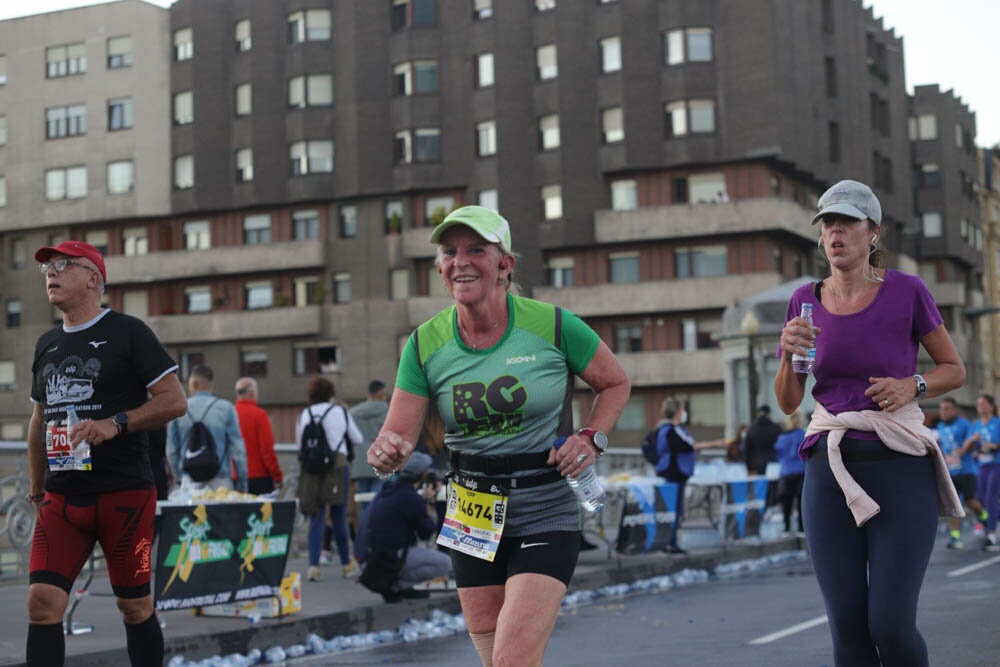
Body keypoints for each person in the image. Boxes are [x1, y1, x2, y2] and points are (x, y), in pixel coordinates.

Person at [367, 205, 631, 666]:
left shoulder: (550, 325)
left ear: (504, 264)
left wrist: (590, 438)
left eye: (476, 249)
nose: (460, 260)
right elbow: (397, 436)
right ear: (440, 268)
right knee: (497, 661)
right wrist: (385, 452)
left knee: (511, 661)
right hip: (472, 513)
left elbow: (615, 382)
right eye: (450, 251)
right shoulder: (424, 343)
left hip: (544, 507)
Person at [776, 179, 965, 667]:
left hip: (899, 468)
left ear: (873, 233)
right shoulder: (804, 300)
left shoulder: (907, 291)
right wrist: (785, 356)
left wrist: (912, 386)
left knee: (891, 624)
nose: (835, 234)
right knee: (848, 628)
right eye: (827, 226)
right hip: (829, 469)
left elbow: (954, 369)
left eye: (846, 224)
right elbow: (788, 400)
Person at [26, 240, 187, 666]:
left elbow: (175, 401)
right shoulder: (46, 343)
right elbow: (39, 422)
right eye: (47, 267)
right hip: (61, 500)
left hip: (124, 497)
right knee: (41, 603)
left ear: (93, 278)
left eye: (63, 265)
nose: (51, 273)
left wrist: (114, 423)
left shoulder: (129, 332)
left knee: (133, 607)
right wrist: (35, 487)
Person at [354, 452, 453, 602]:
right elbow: (427, 532)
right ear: (423, 475)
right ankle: (395, 585)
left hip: (367, 559)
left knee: (411, 546)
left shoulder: (387, 490)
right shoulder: (410, 498)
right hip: (382, 561)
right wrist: (429, 501)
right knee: (446, 563)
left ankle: (399, 586)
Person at [296, 376, 363, 582]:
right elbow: (357, 438)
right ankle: (346, 564)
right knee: (338, 516)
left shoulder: (305, 414)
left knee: (315, 517)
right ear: (331, 393)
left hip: (311, 470)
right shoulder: (339, 412)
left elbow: (300, 445)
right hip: (337, 467)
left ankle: (314, 567)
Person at [651, 398, 720, 554]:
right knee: (674, 510)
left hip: (676, 473)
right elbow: (688, 446)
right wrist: (715, 444)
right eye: (681, 410)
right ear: (677, 412)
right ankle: (670, 543)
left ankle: (671, 541)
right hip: (675, 473)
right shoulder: (671, 430)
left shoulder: (668, 429)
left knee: (674, 509)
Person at [167, 366, 248, 493]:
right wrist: (242, 485)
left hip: (189, 480)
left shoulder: (179, 409)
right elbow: (238, 450)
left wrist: (179, 477)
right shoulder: (226, 408)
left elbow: (171, 450)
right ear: (212, 384)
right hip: (220, 480)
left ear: (193, 383)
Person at [936, 397, 985, 549]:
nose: (943, 412)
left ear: (955, 410)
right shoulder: (940, 426)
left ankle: (983, 516)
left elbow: (974, 443)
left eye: (947, 408)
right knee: (952, 504)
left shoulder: (964, 424)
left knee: (969, 502)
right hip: (950, 472)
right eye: (942, 408)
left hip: (967, 470)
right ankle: (955, 537)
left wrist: (964, 450)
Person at [347, 380, 389, 537]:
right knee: (378, 502)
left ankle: (364, 536)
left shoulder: (353, 413)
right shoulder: (387, 411)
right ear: (381, 394)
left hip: (359, 463)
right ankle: (377, 535)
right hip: (380, 460)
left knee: (364, 505)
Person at [234, 377, 282, 495]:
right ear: (252, 393)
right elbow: (267, 450)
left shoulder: (230, 413)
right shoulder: (260, 415)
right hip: (259, 477)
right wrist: (277, 476)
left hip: (234, 477)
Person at [967, 393, 1000, 550]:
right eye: (978, 404)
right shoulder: (976, 425)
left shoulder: (997, 423)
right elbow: (972, 445)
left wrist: (993, 446)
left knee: (990, 498)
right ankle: (991, 524)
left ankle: (992, 534)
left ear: (991, 406)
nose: (980, 407)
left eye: (983, 403)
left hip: (996, 464)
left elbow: (994, 444)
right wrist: (974, 449)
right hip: (982, 465)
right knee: (980, 500)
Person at [773, 410, 806, 535]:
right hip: (801, 471)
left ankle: (786, 526)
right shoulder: (802, 435)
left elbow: (778, 454)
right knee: (800, 501)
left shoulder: (782, 437)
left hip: (786, 471)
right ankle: (801, 528)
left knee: (787, 501)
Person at [744, 404, 782, 475]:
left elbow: (747, 450)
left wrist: (748, 467)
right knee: (773, 485)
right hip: (773, 464)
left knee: (760, 485)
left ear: (758, 414)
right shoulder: (776, 428)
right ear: (769, 414)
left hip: (755, 464)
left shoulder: (751, 429)